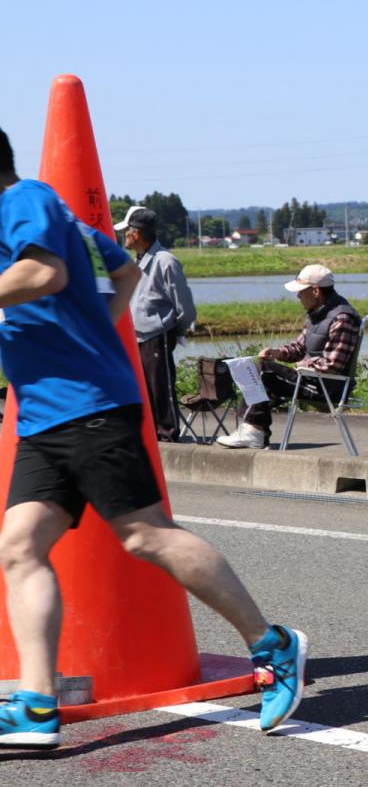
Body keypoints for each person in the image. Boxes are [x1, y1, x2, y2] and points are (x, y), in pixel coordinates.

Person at [0, 128, 305, 749]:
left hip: (88, 408)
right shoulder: (57, 215)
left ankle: (272, 643)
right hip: (44, 415)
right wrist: (93, 336)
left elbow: (44, 271)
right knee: (19, 546)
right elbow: (125, 270)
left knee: (146, 535)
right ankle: (36, 704)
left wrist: (87, 352)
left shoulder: (22, 200)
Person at [216, 264, 361, 449]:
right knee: (256, 366)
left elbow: (332, 365)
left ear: (316, 291)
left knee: (262, 371)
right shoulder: (318, 314)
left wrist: (301, 365)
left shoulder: (342, 318)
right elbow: (299, 347)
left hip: (326, 388)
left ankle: (253, 432)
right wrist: (276, 353)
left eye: (301, 291)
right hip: (311, 379)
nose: (298, 296)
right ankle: (253, 431)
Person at [115, 206, 196, 442]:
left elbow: (184, 305)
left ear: (136, 233)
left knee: (161, 388)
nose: (124, 236)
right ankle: (151, 436)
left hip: (157, 334)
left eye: (126, 231)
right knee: (144, 388)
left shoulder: (165, 260)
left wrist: (175, 329)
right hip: (138, 336)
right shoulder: (137, 260)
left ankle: (168, 435)